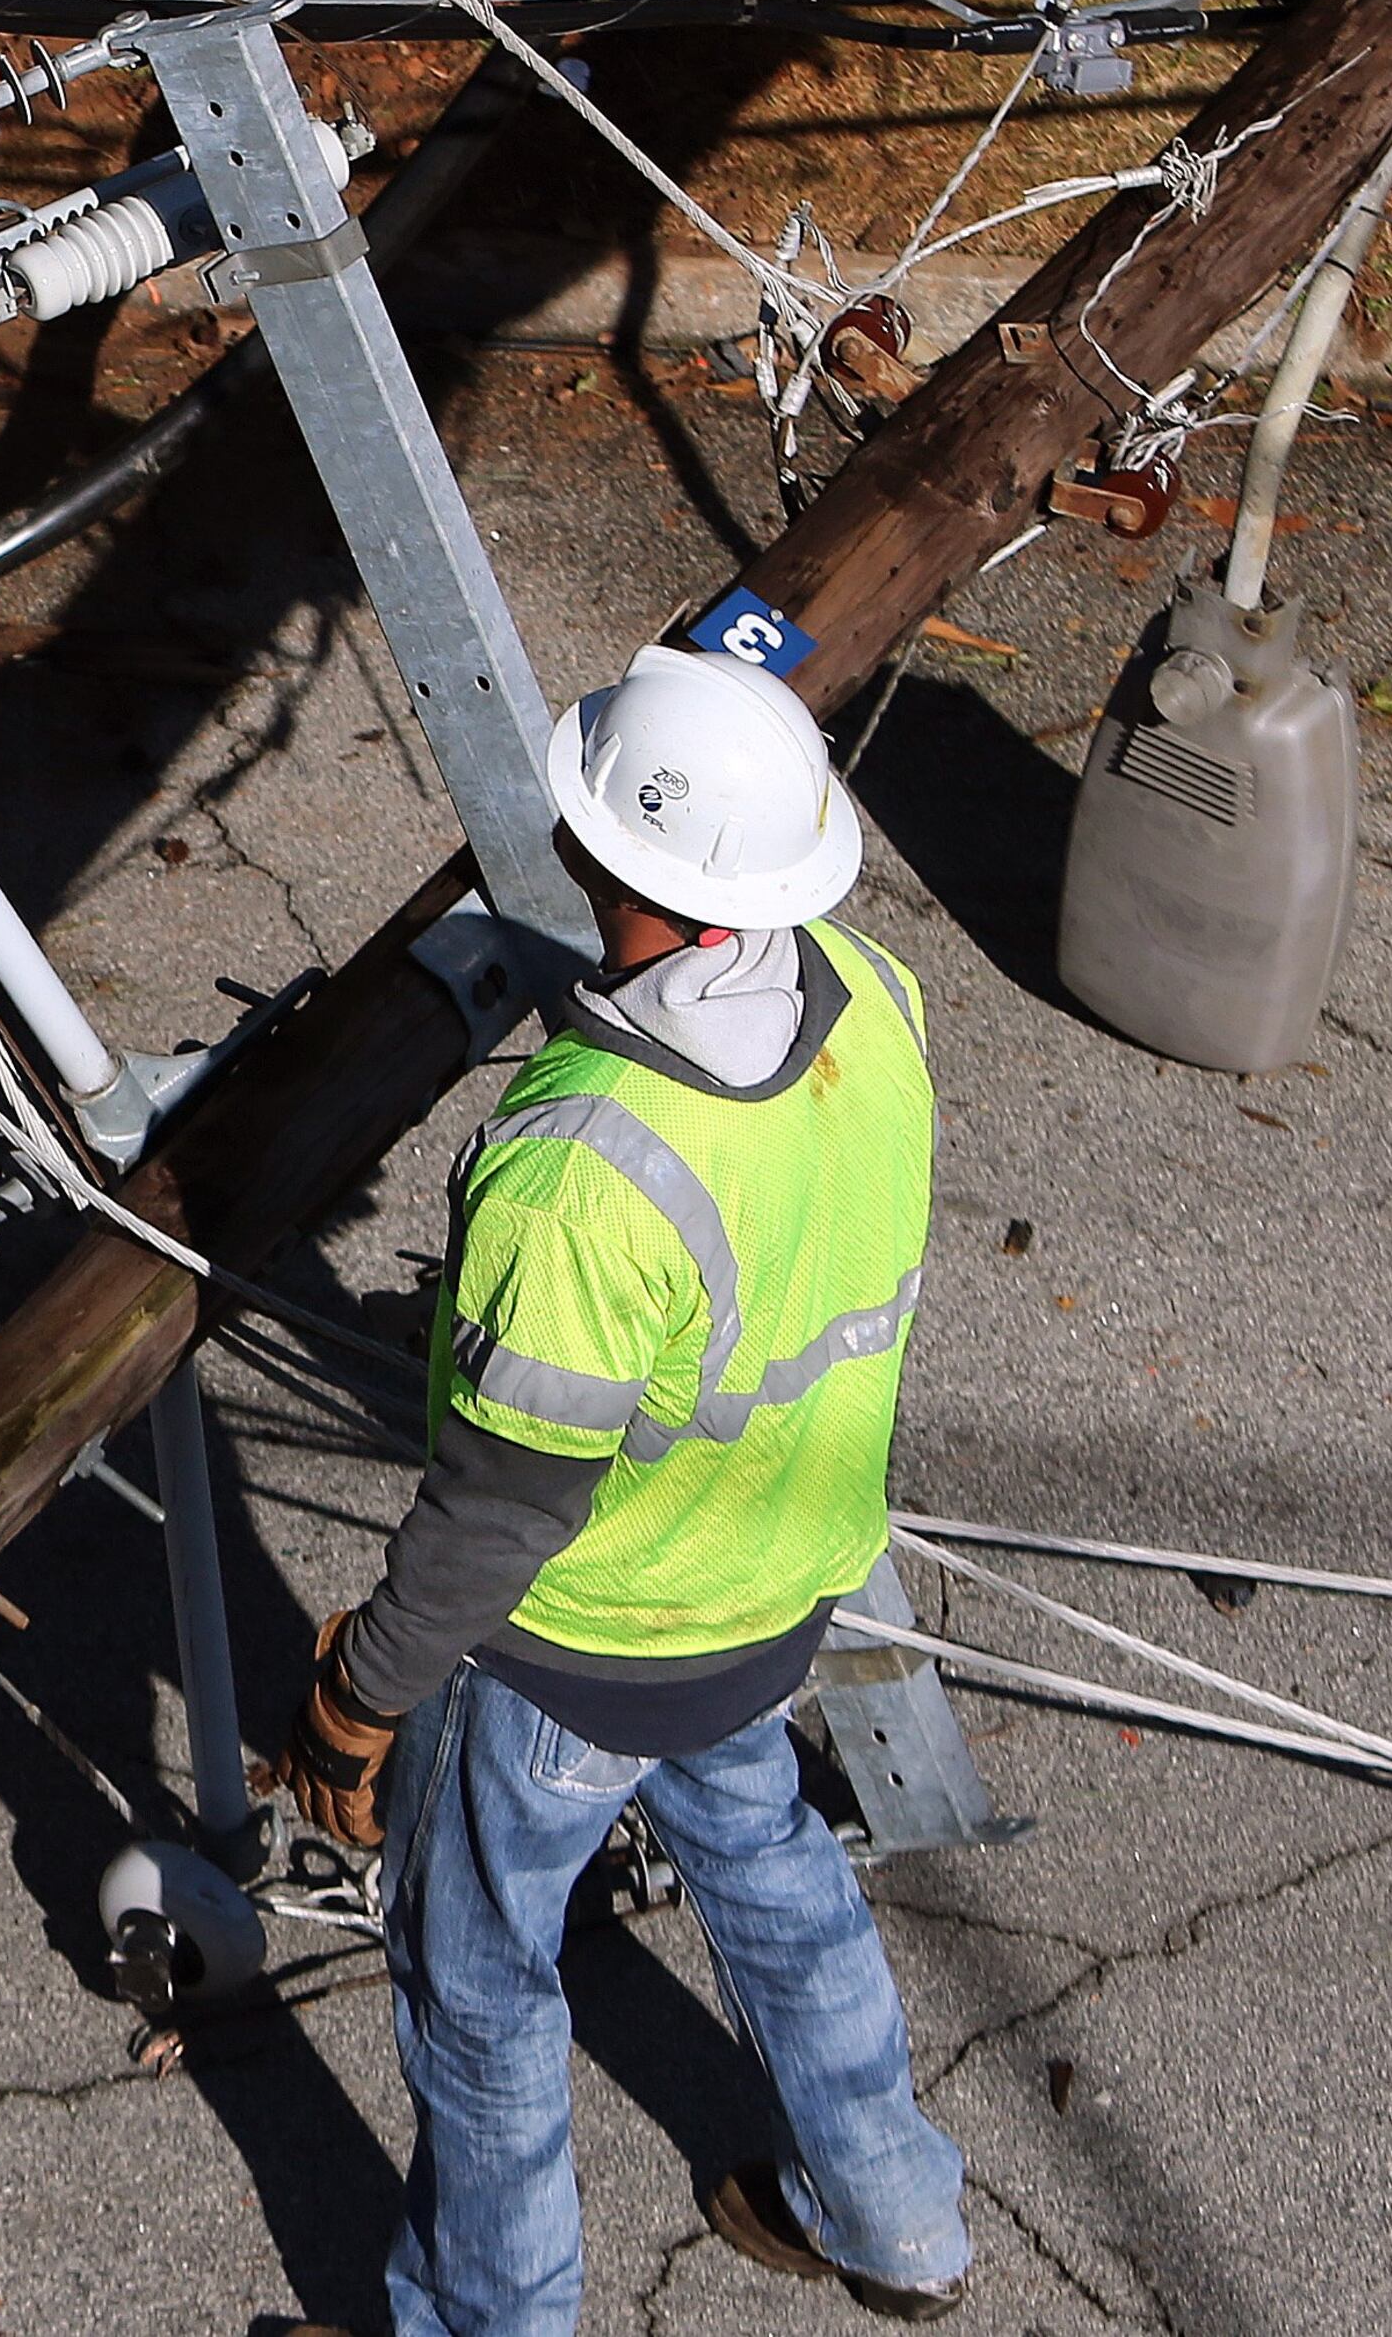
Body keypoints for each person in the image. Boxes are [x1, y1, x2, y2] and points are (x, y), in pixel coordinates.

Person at [270, 641, 971, 2336]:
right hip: (770, 1585)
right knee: (778, 1876)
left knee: (485, 1984)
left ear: (609, 862)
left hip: (573, 1650)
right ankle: (897, 2218)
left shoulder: (583, 1163)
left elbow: (502, 1509)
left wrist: (361, 1695)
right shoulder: (872, 1002)